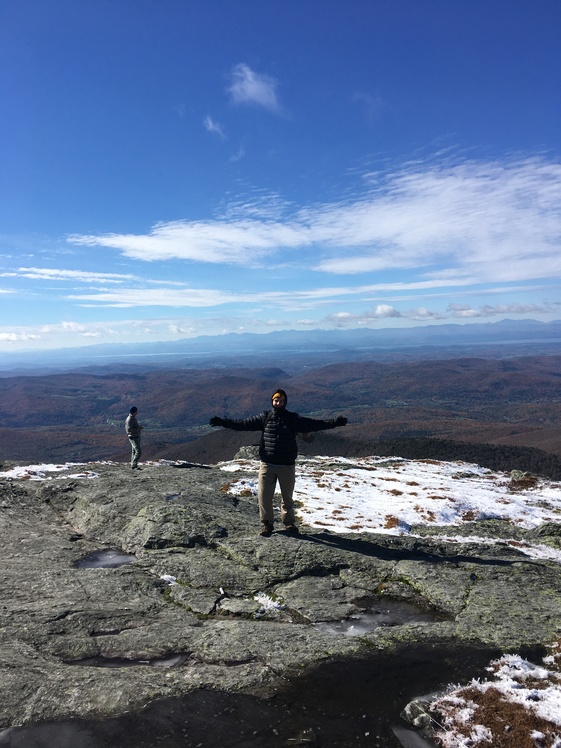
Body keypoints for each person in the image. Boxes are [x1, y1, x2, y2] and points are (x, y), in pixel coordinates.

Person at [210, 388, 348, 536]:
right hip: (267, 464)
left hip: (286, 464)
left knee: (287, 497)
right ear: (272, 402)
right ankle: (267, 524)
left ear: (285, 402)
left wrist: (335, 423)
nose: (278, 402)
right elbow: (243, 424)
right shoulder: (265, 417)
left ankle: (289, 523)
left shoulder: (292, 419)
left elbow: (314, 424)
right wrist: (223, 422)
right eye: (276, 400)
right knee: (264, 496)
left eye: (281, 400)